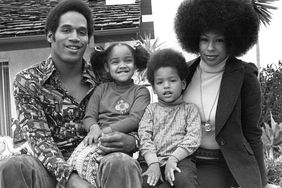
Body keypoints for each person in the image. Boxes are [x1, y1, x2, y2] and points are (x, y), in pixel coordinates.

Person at [0, 0, 142, 188]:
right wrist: (71, 179)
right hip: (49, 172)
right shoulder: (28, 81)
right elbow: (40, 141)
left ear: (88, 39)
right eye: (66, 30)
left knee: (121, 162)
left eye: (82, 32)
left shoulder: (105, 79)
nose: (75, 37)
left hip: (99, 161)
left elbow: (136, 120)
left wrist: (132, 141)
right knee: (13, 166)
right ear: (50, 35)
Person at [174, 0, 278, 188]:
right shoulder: (184, 72)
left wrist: (260, 182)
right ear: (194, 39)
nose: (210, 48)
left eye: (219, 40)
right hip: (183, 160)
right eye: (204, 39)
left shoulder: (245, 77)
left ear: (232, 41)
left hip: (221, 163)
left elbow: (252, 134)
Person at [67, 42, 151, 187]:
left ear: (136, 64)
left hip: (121, 139)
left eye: (128, 60)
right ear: (107, 66)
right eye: (115, 62)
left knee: (117, 163)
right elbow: (89, 116)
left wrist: (106, 131)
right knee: (77, 163)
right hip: (96, 137)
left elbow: (135, 119)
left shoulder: (140, 92)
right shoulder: (101, 90)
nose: (122, 65)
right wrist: (93, 128)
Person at [138, 49, 202, 188]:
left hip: (181, 160)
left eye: (172, 80)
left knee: (185, 180)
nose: (166, 86)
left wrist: (174, 158)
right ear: (154, 88)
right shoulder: (151, 110)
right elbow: (144, 135)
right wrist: (153, 163)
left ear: (183, 83)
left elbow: (193, 138)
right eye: (160, 82)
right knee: (144, 183)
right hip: (151, 160)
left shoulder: (190, 110)